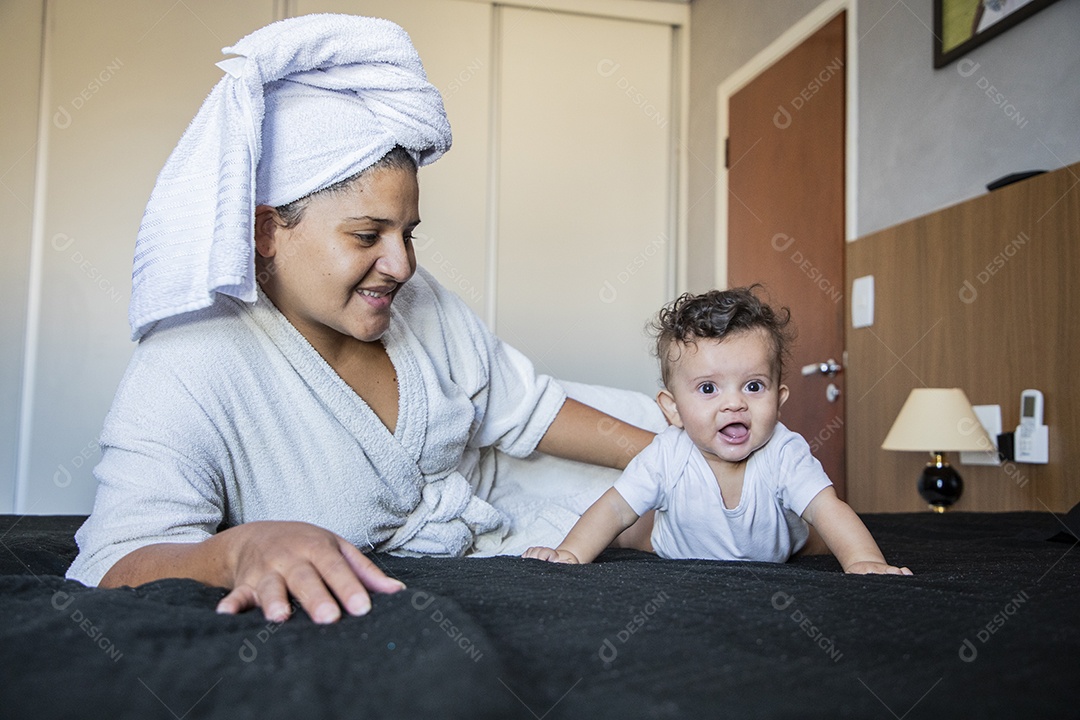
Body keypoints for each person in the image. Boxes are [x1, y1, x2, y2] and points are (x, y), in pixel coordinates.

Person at [66, 14, 655, 624]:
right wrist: (236, 550)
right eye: (368, 234)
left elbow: (530, 410)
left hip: (526, 481)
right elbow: (115, 556)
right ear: (268, 230)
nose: (402, 265)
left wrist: (672, 456)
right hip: (515, 534)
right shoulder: (190, 364)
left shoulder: (418, 302)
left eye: (408, 233)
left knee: (735, 487)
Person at [524, 288, 912, 575]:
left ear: (779, 398)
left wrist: (865, 562)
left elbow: (828, 508)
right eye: (708, 389)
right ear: (673, 409)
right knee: (628, 527)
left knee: (820, 532)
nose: (734, 403)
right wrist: (571, 553)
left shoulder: (784, 450)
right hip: (674, 543)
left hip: (774, 544)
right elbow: (614, 507)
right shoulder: (666, 454)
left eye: (754, 386)